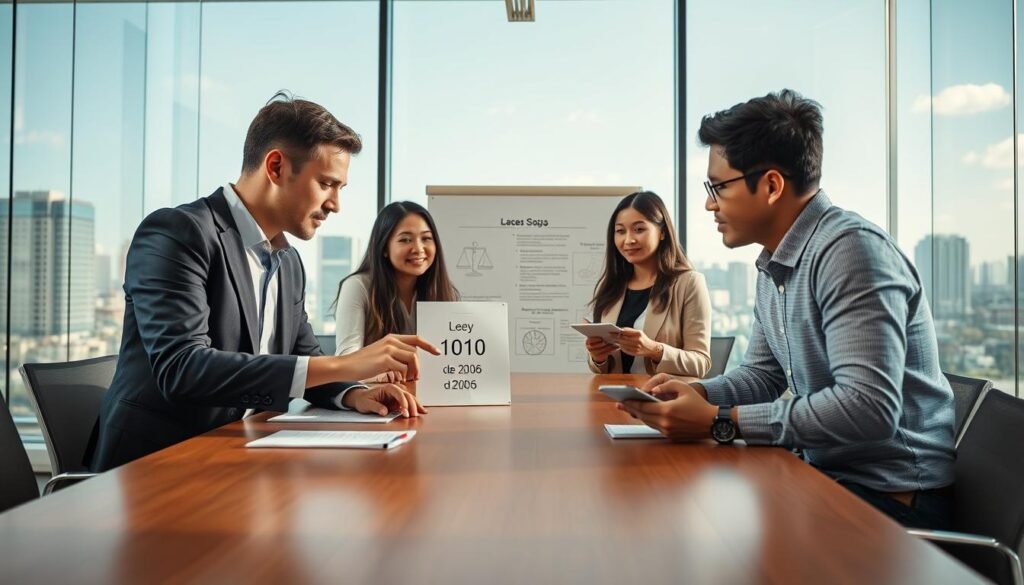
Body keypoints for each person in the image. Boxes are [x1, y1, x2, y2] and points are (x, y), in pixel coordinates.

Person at [619, 90, 955, 530]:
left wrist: (721, 421)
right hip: (826, 474)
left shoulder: (851, 252)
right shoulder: (775, 264)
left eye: (717, 186)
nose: (708, 204)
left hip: (893, 499)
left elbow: (868, 407)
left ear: (772, 185)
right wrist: (700, 395)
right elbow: (763, 374)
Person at [89, 93, 436, 472]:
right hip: (158, 465)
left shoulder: (288, 262)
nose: (336, 204)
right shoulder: (178, 233)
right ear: (275, 167)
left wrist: (354, 393)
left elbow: (307, 363)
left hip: (242, 456)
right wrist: (348, 365)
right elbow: (183, 368)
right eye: (327, 184)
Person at [585, 191, 711, 377]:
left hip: (665, 399)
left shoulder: (689, 283)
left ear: (662, 233)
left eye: (639, 229)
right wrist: (598, 357)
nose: (628, 240)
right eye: (620, 231)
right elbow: (600, 369)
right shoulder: (612, 287)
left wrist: (654, 350)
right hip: (615, 398)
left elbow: (701, 364)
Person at [332, 201, 459, 362]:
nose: (419, 248)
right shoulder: (357, 286)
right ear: (384, 247)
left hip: (425, 387)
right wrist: (380, 376)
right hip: (374, 386)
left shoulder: (442, 291)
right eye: (405, 240)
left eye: (426, 238)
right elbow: (346, 359)